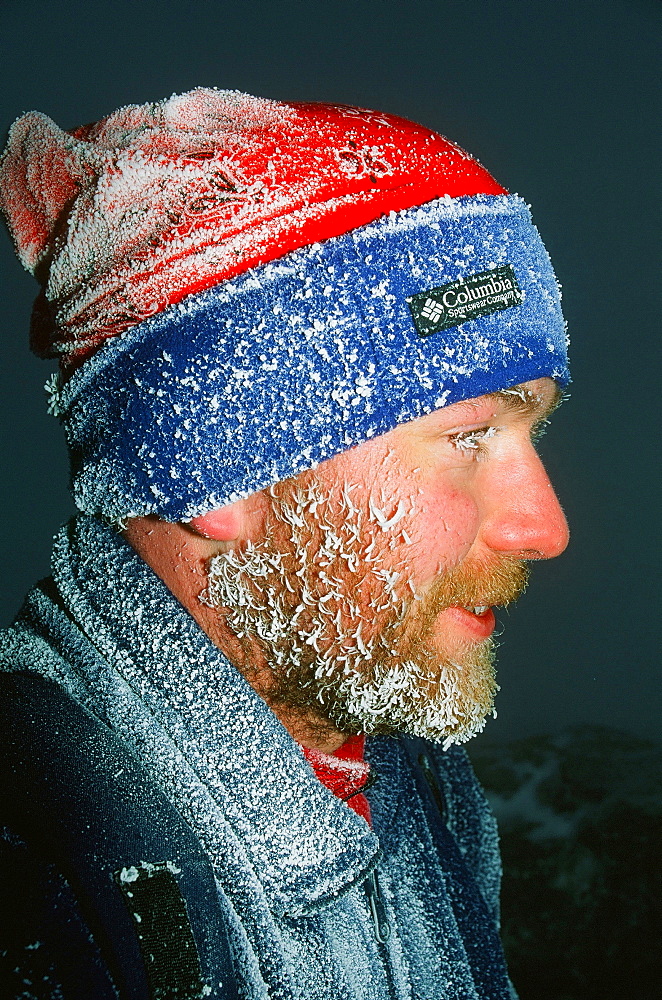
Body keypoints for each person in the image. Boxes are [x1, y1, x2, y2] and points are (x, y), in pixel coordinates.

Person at [0, 88, 569, 999]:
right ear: (219, 468)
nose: (544, 527)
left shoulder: (428, 796)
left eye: (529, 434)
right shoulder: (41, 888)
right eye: (469, 435)